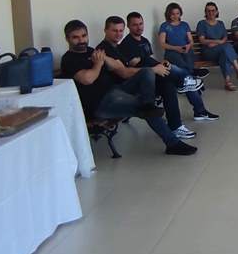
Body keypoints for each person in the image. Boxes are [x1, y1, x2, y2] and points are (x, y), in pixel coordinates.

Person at [60, 18, 196, 156]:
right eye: (75, 37)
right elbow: (88, 79)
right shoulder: (68, 59)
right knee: (144, 108)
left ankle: (150, 104)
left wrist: (104, 58)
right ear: (67, 39)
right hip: (101, 104)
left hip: (115, 91)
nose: (81, 40)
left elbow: (118, 67)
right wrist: (98, 64)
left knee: (147, 72)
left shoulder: (91, 51)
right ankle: (172, 143)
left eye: (84, 36)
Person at [119, 11, 214, 131]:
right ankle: (187, 80)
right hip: (143, 80)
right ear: (128, 26)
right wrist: (156, 65)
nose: (139, 27)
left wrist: (159, 64)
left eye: (141, 24)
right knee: (178, 81)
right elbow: (135, 64)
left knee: (178, 79)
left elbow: (147, 60)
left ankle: (199, 110)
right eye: (135, 25)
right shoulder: (127, 44)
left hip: (154, 73)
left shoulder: (144, 41)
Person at [196, 1, 238, 91]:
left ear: (217, 12)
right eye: (208, 11)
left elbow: (225, 38)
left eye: (213, 10)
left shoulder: (220, 23)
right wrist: (218, 41)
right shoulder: (202, 23)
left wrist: (216, 43)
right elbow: (202, 40)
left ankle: (227, 82)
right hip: (208, 51)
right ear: (205, 12)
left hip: (220, 49)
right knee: (226, 47)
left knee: (224, 54)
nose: (211, 13)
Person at [158, 2, 207, 79]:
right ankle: (192, 73)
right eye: (173, 14)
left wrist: (188, 46)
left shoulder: (184, 25)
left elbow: (191, 41)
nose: (175, 16)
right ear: (168, 14)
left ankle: (190, 76)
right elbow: (162, 43)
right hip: (172, 52)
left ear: (180, 13)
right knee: (179, 60)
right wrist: (176, 48)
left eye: (177, 13)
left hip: (185, 49)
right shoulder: (164, 26)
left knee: (188, 56)